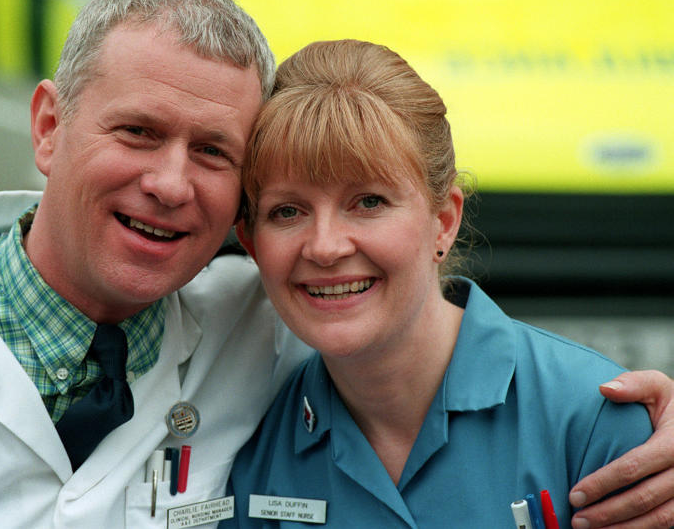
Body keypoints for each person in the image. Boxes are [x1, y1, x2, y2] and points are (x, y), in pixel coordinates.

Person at [0, 0, 671, 528]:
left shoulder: (268, 323)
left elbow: (432, 338)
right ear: (48, 126)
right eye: (137, 132)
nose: (172, 183)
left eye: (213, 151)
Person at [222, 38, 663, 528]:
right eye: (287, 211)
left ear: (444, 220)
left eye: (368, 202)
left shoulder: (592, 423)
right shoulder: (246, 446)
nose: (325, 247)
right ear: (251, 241)